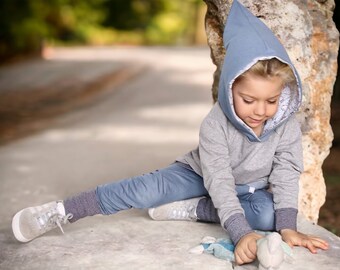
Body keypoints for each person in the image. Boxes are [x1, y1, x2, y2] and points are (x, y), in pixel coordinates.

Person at [11, 0, 329, 266]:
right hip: (199, 173)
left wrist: (287, 228)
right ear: (230, 90)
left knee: (266, 218)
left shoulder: (284, 124)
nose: (260, 110)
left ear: (283, 95)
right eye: (248, 100)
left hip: (250, 189)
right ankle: (61, 212)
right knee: (144, 191)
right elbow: (218, 181)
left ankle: (194, 209)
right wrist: (239, 233)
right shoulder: (216, 124)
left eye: (271, 100)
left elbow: (287, 173)